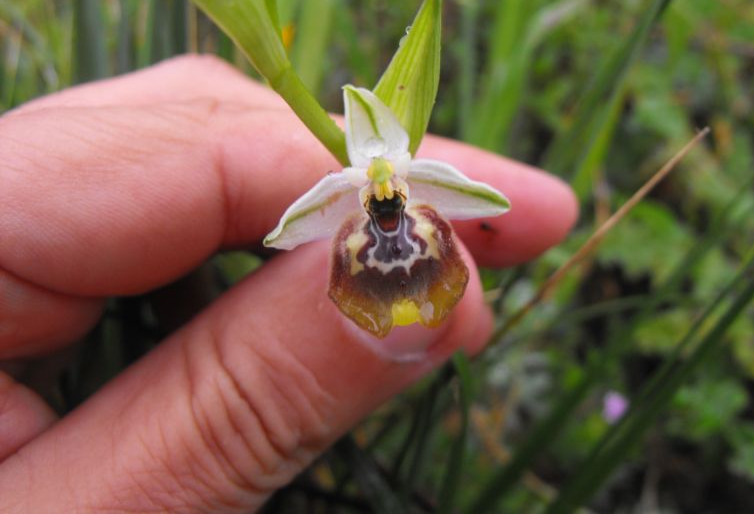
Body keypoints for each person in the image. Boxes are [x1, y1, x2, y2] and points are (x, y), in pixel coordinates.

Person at [0, 55, 577, 512]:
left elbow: (482, 198)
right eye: (378, 193)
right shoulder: (349, 192)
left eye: (388, 194)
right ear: (362, 186)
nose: (382, 197)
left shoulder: (404, 184)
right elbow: (294, 225)